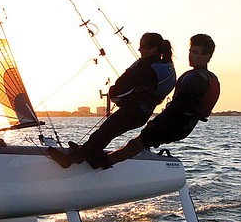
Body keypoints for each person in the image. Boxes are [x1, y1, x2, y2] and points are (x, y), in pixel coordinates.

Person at [48, 32, 176, 168]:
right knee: (106, 133)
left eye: (143, 46)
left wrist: (118, 97)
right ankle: (89, 152)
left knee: (104, 132)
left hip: (132, 113)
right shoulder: (166, 64)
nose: (139, 50)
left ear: (154, 49)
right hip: (141, 114)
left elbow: (118, 91)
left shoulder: (146, 69)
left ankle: (71, 160)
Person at [94, 33, 220, 169]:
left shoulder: (196, 80)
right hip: (185, 126)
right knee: (140, 142)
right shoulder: (208, 77)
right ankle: (128, 155)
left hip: (175, 124)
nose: (191, 56)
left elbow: (177, 108)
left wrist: (155, 122)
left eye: (196, 53)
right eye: (190, 51)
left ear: (207, 56)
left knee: (136, 144)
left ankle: (102, 164)